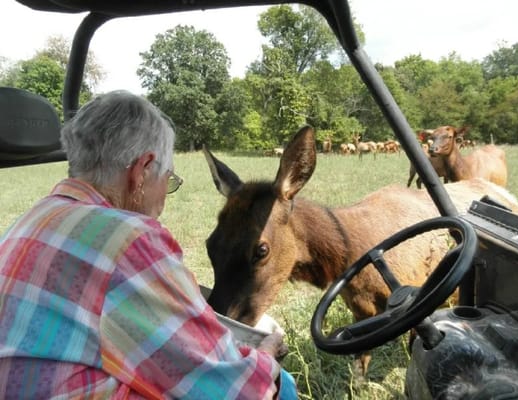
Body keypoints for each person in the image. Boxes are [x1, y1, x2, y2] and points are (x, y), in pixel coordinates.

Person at [0, 90, 297, 399]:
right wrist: (265, 352)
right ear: (141, 171)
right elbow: (234, 390)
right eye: (167, 180)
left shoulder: (29, 220)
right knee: (281, 387)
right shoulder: (129, 239)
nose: (163, 201)